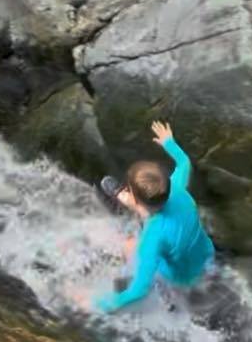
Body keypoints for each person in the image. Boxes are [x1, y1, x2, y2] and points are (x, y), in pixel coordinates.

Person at [92, 120, 215, 314]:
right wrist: (169, 143)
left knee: (128, 246)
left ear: (137, 200)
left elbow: (138, 291)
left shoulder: (152, 237)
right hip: (206, 256)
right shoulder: (177, 190)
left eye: (129, 190)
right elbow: (184, 163)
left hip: (181, 278)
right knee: (159, 236)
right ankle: (122, 196)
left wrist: (98, 305)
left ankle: (165, 296)